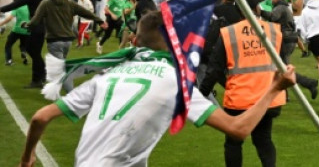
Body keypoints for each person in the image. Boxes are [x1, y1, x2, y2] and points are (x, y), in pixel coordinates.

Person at [20, 11, 297, 167]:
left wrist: (26, 159)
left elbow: (40, 117)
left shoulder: (107, 76)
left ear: (134, 40)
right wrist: (274, 89)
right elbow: (238, 129)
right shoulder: (177, 82)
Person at [199, 0, 290, 167]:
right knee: (263, 140)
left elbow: (214, 68)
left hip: (241, 98)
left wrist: (201, 94)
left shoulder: (230, 33)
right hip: (269, 97)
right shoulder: (273, 31)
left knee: (233, 142)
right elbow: (281, 64)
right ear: (256, 9)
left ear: (238, 10)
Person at [24, 0, 106, 93]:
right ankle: (57, 92)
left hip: (54, 41)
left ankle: (72, 95)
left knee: (60, 71)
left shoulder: (45, 3)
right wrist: (100, 20)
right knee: (59, 67)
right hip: (68, 41)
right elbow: (85, 12)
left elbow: (34, 21)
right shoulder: (70, 3)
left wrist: (25, 25)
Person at [259, 0, 319, 99]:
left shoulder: (280, 7)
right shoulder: (284, 6)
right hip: (289, 39)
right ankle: (285, 95)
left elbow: (272, 17)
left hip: (285, 39)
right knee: (282, 68)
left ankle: (309, 83)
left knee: (284, 69)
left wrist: (260, 11)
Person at [0, 0, 51, 88]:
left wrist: (1, 9)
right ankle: (42, 74)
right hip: (43, 26)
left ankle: (38, 79)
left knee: (33, 51)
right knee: (33, 51)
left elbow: (16, 4)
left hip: (37, 26)